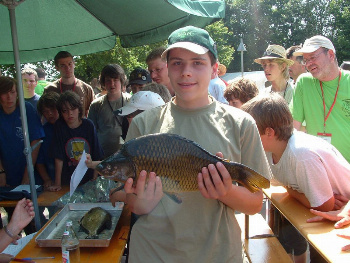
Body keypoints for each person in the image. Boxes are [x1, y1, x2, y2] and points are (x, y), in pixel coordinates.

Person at [123, 25, 271, 263]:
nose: (186, 72)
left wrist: (226, 191)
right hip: (151, 253)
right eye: (177, 63)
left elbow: (255, 203)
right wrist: (141, 203)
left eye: (197, 63)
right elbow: (132, 203)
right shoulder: (143, 124)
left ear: (214, 69)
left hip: (218, 253)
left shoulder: (241, 123)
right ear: (167, 70)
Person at [241, 93, 350, 262]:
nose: (246, 137)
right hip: (328, 217)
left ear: (269, 132)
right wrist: (293, 192)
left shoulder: (301, 154)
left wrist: (293, 192)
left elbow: (324, 206)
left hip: (341, 217)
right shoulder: (270, 152)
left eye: (250, 131)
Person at [292, 35, 350, 163]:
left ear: (330, 55)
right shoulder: (304, 83)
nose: (308, 64)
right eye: (305, 60)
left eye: (312, 57)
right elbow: (293, 128)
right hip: (319, 168)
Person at [50, 91, 103, 191]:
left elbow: (97, 155)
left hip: (88, 179)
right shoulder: (59, 126)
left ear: (79, 109)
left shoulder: (88, 125)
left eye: (73, 109)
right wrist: (57, 183)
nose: (70, 113)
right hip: (67, 181)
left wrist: (95, 179)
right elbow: (58, 157)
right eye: (65, 111)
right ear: (61, 113)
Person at [0, 76, 44, 187]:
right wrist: (1, 172)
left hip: (29, 169)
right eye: (4, 93)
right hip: (6, 172)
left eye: (12, 92)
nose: (9, 97)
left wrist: (27, 175)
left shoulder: (27, 109)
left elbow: (36, 141)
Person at [88, 64, 130, 158]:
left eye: (115, 80)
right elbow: (91, 132)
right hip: (102, 156)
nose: (112, 84)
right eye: (108, 81)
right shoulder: (96, 105)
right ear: (103, 82)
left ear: (121, 81)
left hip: (126, 155)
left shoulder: (131, 102)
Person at [44, 51, 94, 117]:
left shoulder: (86, 88)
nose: (67, 68)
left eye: (70, 64)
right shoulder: (50, 90)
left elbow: (92, 115)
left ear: (74, 64)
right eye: (63, 65)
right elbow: (45, 115)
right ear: (57, 68)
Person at [36, 92, 60, 189]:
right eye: (45, 111)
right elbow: (39, 161)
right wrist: (47, 179)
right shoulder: (43, 132)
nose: (50, 113)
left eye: (52, 109)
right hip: (52, 181)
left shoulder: (71, 127)